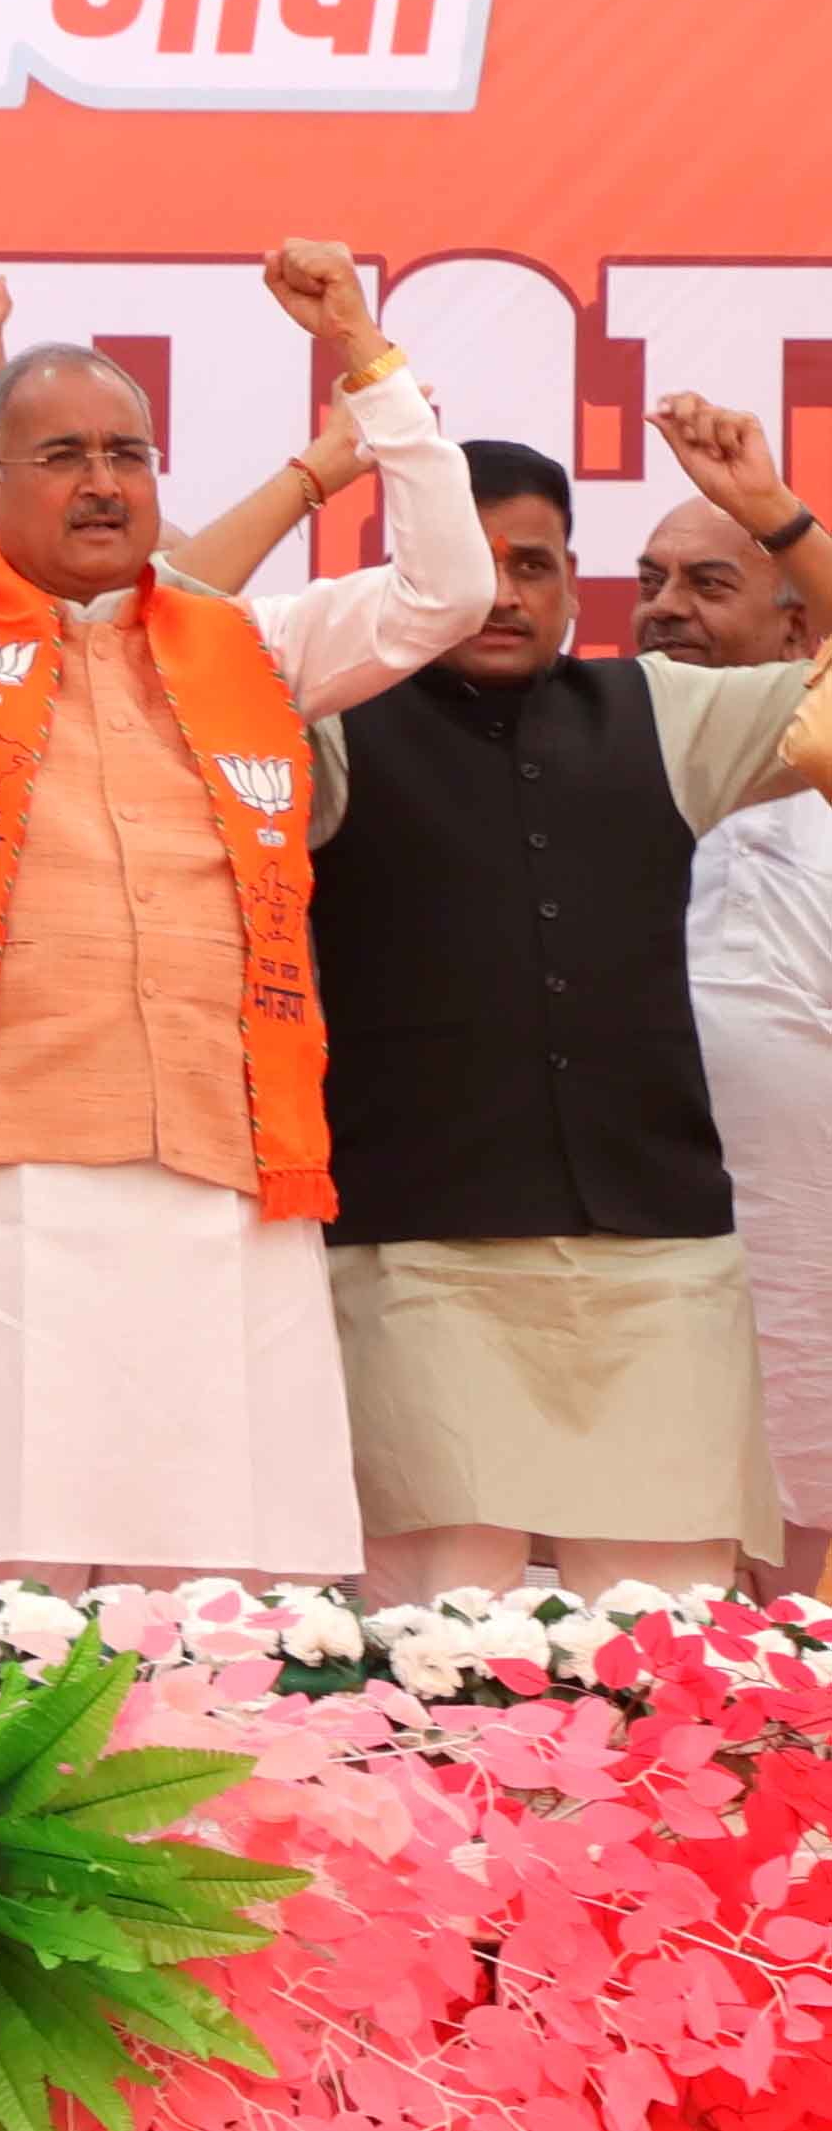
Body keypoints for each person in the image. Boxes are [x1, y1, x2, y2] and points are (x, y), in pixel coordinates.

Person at [0, 220, 487, 1594]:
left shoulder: (250, 647)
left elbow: (447, 589)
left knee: (211, 1582)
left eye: (125, 454)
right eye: (63, 455)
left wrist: (362, 356)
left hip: (216, 1161)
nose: (101, 483)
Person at [298, 409, 830, 1601]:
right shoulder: (325, 722)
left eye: (531, 565)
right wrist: (310, 477)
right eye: (468, 562)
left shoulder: (663, 713)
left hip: (662, 1268)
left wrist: (775, 517)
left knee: (677, 1663)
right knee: (438, 1660)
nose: (501, 594)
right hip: (419, 1260)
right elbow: (158, 632)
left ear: (570, 586)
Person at [656, 478, 832, 1592]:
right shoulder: (593, 768)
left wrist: (775, 514)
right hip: (640, 1299)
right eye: (648, 583)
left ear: (799, 627)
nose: (665, 607)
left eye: (708, 584)